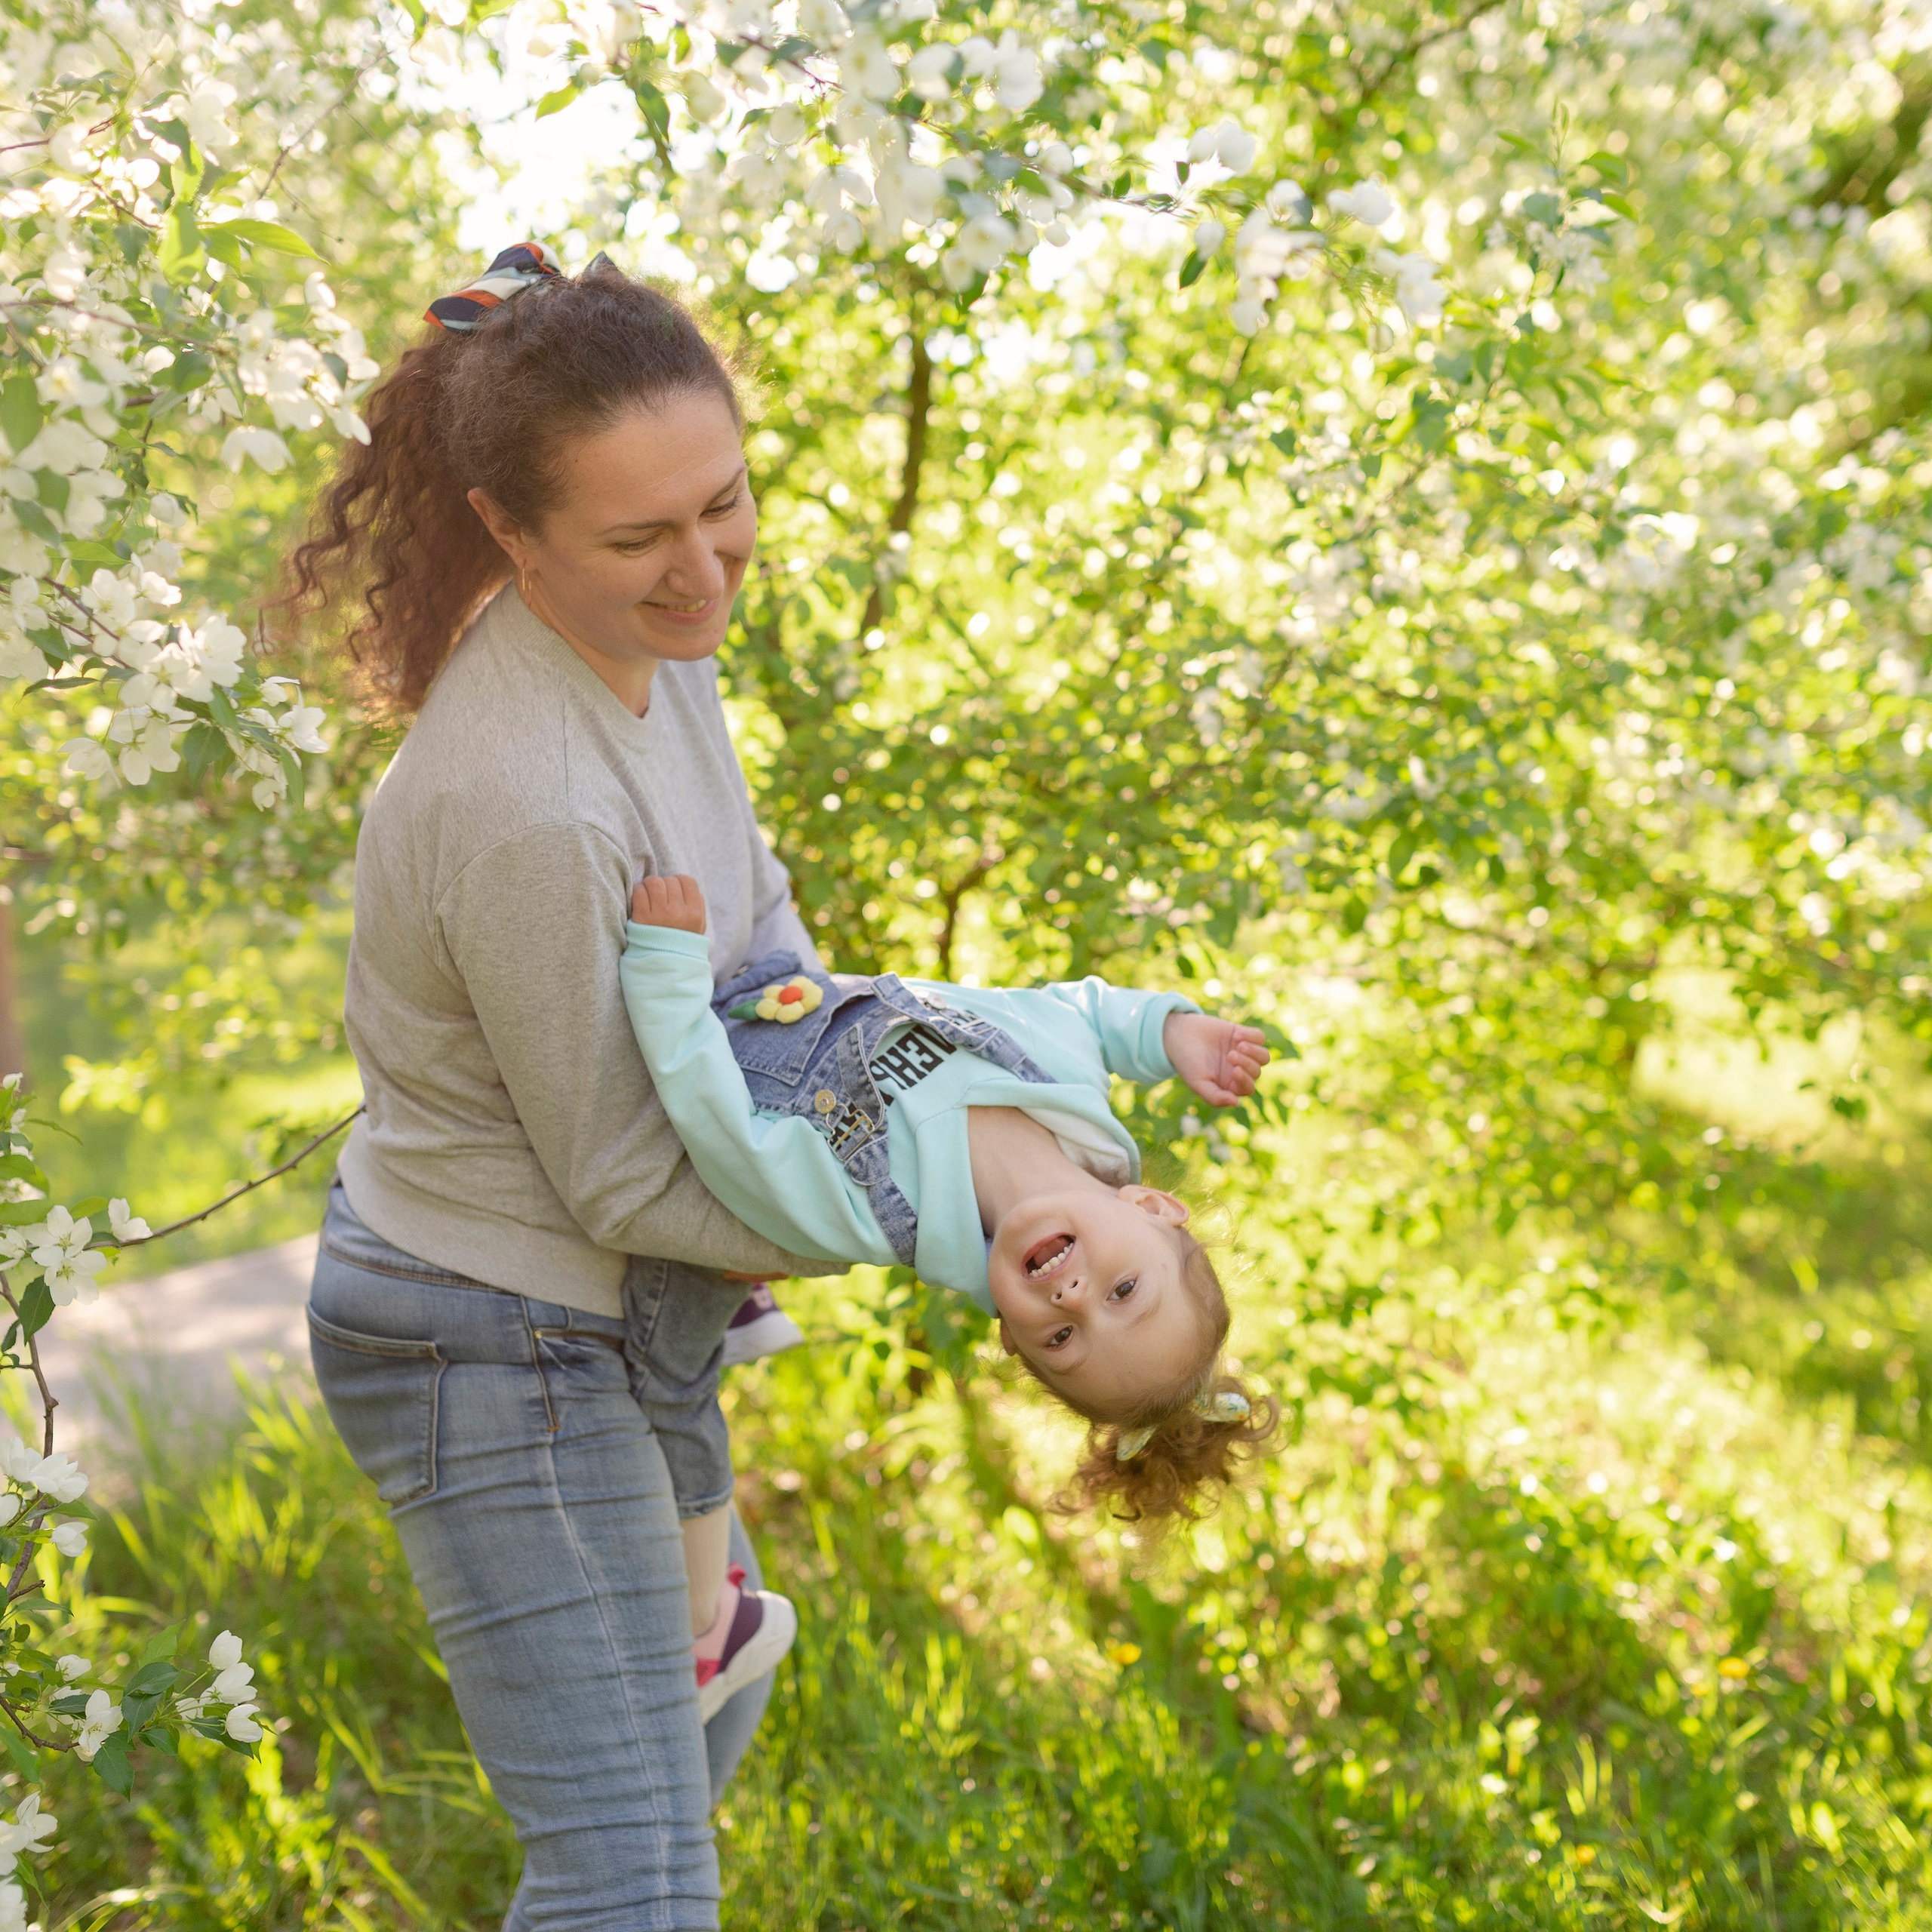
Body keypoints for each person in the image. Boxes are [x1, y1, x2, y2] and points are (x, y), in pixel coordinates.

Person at [283, 243, 821, 1930]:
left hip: (615, 1317)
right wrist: (925, 1215)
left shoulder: (661, 656)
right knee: (628, 1883)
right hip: (488, 1334)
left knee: (679, 1799)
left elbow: (761, 930)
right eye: (638, 536)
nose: (702, 568)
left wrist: (954, 1080)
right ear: (512, 535)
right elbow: (616, 1174)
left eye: (721, 502)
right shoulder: (522, 801)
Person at [623, 872, 1278, 1524]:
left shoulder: (876, 1213)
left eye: (1061, 1337)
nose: (1074, 1297)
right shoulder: (1068, 1080)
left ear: (1013, 1339)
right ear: (1154, 1208)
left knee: (664, 1381)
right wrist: (1172, 1033)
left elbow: (721, 1128)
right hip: (771, 960)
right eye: (1125, 1292)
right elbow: (1085, 1014)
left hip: (682, 1005)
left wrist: (668, 972)